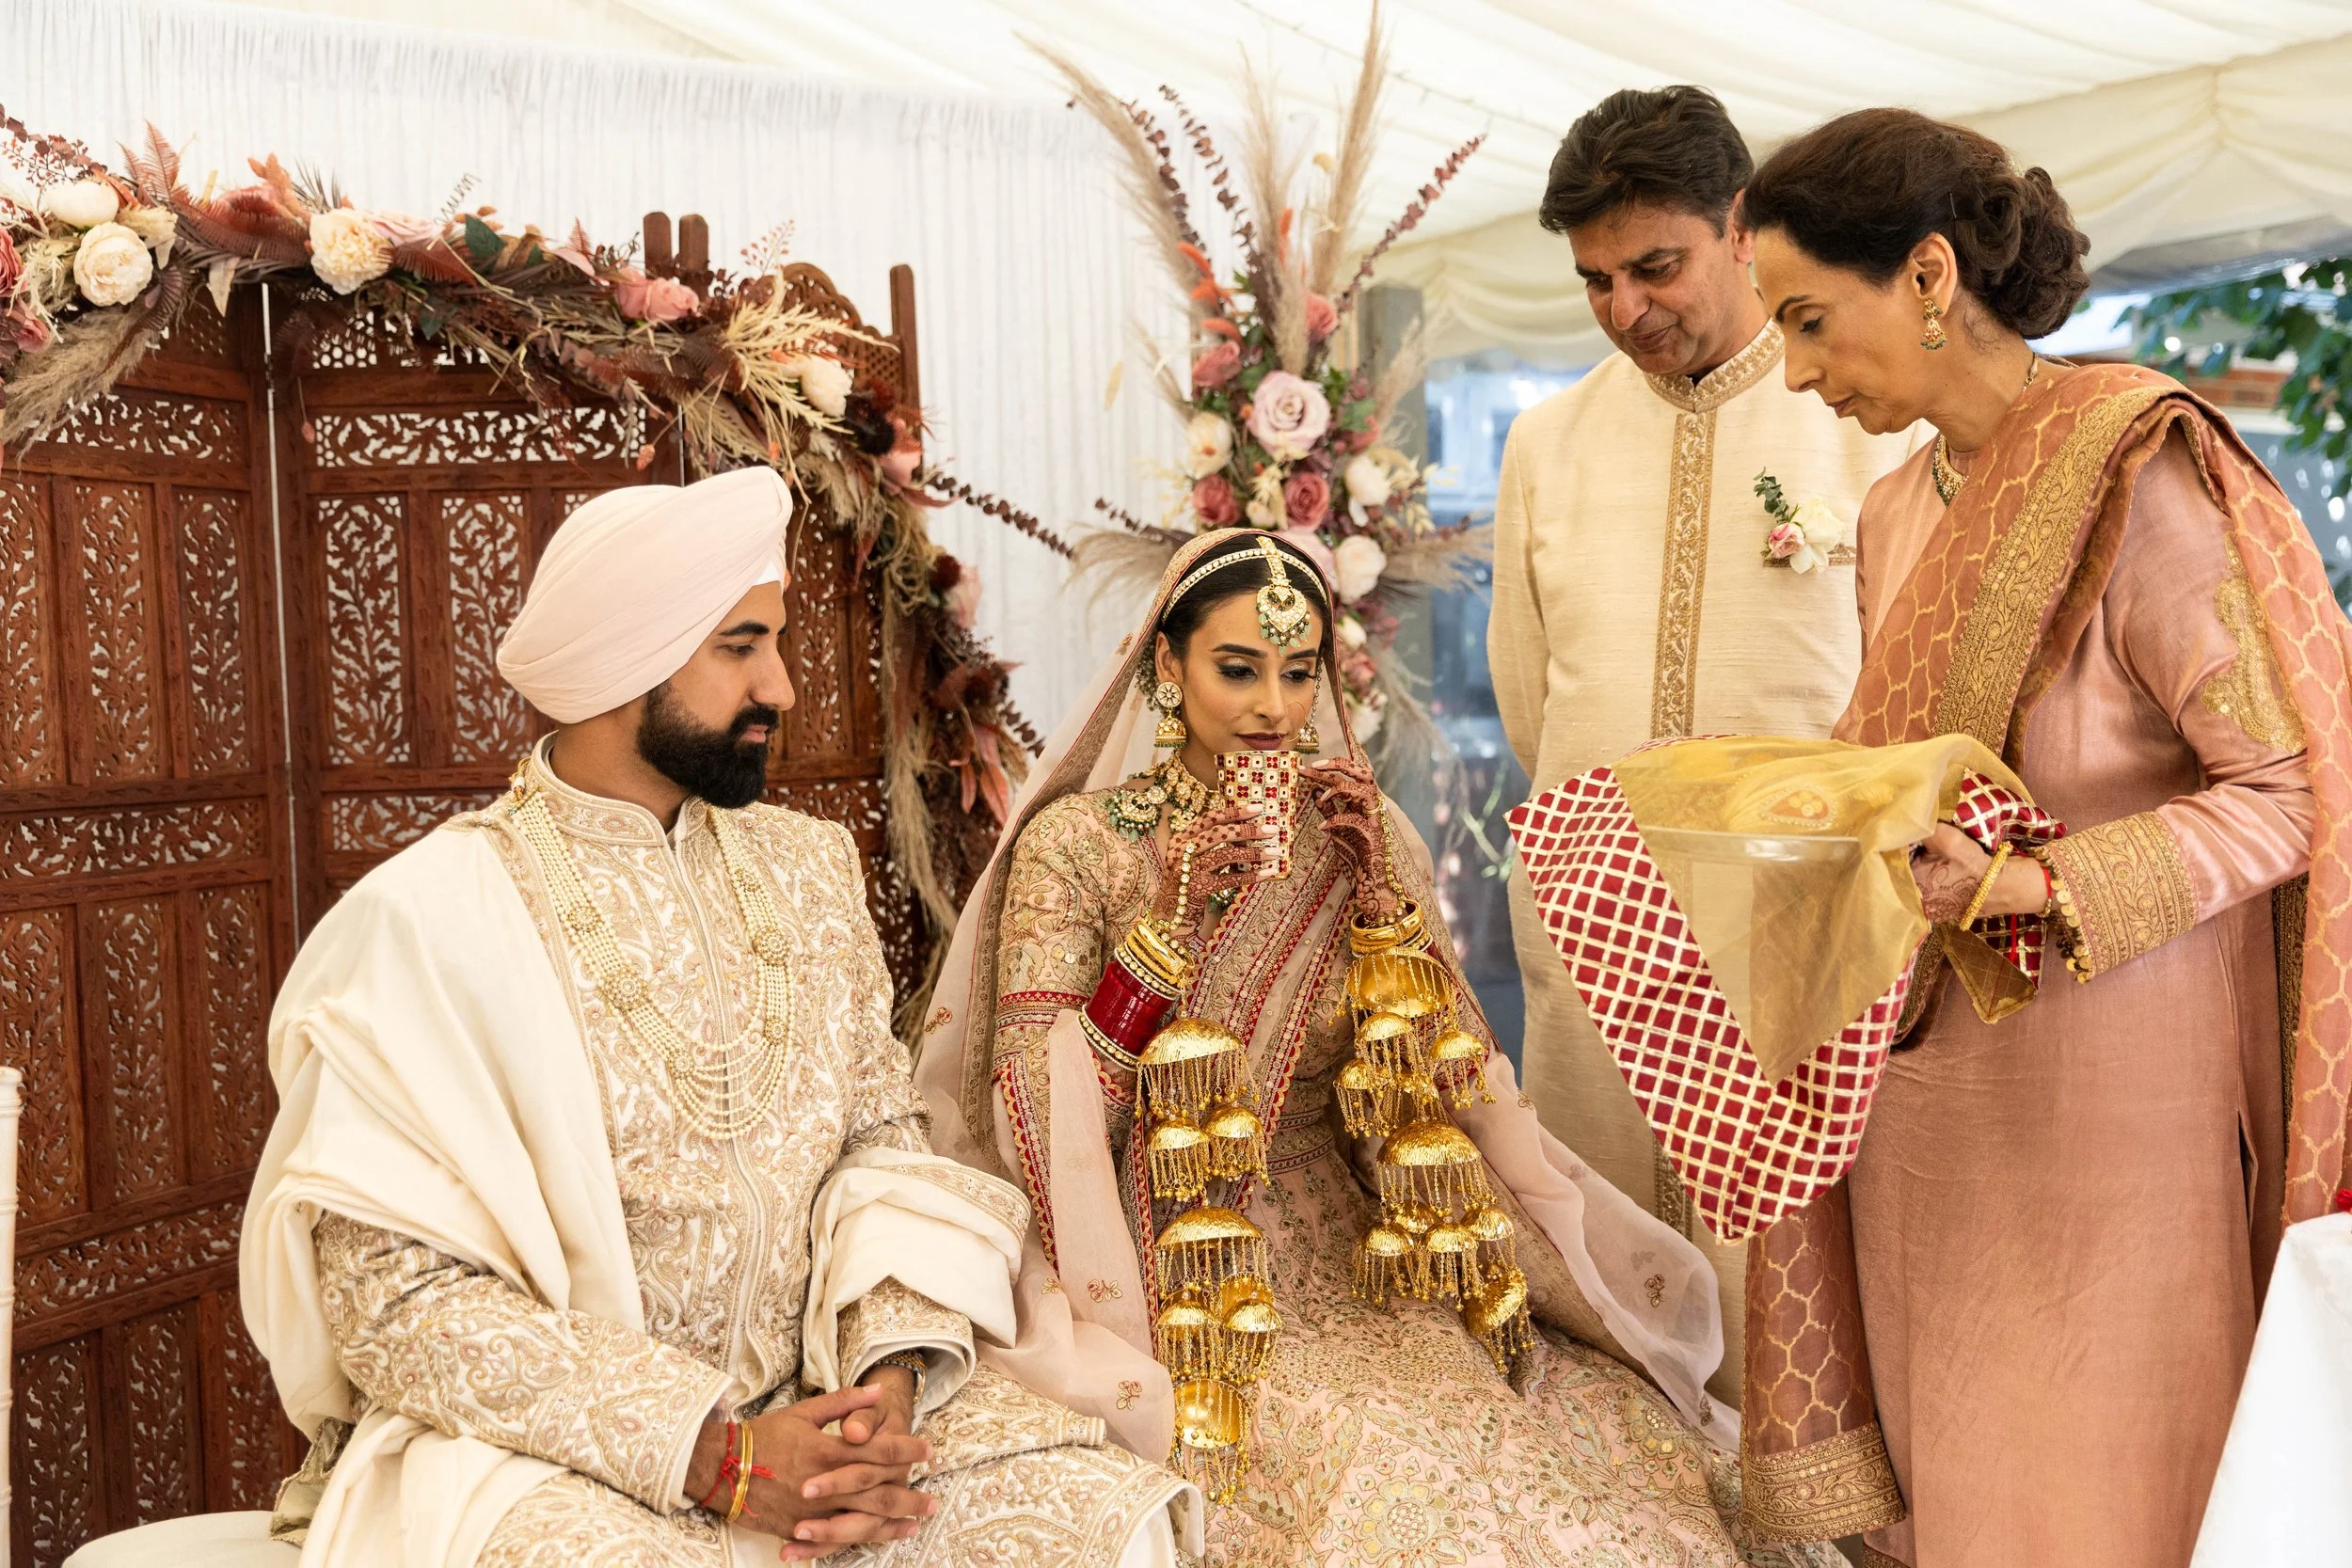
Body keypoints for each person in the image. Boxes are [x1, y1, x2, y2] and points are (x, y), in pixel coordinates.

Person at [240, 467, 1195, 1568]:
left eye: (774, 643)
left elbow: (881, 1145)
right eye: (741, 647)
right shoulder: (425, 919)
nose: (782, 687)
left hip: (824, 1397)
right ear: (624, 660)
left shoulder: (805, 867)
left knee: (1090, 1520)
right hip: (558, 1451)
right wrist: (715, 1453)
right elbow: (391, 1300)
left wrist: (881, 1387)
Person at [913, 527, 1845, 1568]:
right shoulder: (1079, 847)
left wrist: (1381, 912)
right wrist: (1167, 933)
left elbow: (1443, 1085)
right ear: (1165, 666)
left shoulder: (1360, 829)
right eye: (1238, 669)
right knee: (1375, 1486)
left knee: (1565, 1459)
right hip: (1174, 1272)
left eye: (1299, 671)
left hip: (1359, 1248)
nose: (1274, 707)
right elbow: (1036, 1122)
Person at [1742, 109, 2352, 1567]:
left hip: (2113, 1101)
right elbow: (1892, 753)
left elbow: (2290, 790)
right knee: (1955, 1481)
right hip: (1926, 1099)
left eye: (1813, 321)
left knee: (2101, 1476)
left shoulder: (2140, 475)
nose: (1803, 374)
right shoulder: (1894, 511)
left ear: (1933, 274)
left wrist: (2034, 881)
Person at [1490, 84, 1918, 1392]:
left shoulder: (1858, 418)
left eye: (1656, 265)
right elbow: (1528, 694)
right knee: (1604, 1284)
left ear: (1743, 227)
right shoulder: (1549, 441)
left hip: (1799, 938)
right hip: (1595, 931)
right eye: (1595, 280)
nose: (1628, 309)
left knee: (1800, 1303)